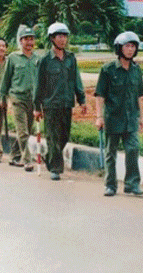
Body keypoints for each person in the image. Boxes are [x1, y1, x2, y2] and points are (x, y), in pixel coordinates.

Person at [95, 31, 143, 197]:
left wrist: (142, 116)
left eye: (133, 46)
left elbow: (139, 95)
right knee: (111, 152)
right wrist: (99, 117)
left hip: (130, 118)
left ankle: (132, 184)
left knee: (133, 149)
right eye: (127, 46)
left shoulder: (137, 70)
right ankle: (110, 185)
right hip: (113, 118)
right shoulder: (108, 69)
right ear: (119, 48)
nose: (130, 50)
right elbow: (100, 95)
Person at [33, 22, 87, 180]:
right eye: (59, 36)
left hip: (66, 103)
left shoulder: (71, 58)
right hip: (50, 104)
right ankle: (55, 169)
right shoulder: (44, 60)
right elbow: (38, 84)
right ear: (52, 38)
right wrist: (37, 107)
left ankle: (49, 157)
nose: (63, 39)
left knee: (64, 136)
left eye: (65, 36)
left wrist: (82, 100)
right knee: (53, 136)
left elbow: (76, 79)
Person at [0, 24, 41, 171]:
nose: (29, 42)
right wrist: (2, 96)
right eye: (26, 39)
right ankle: (27, 160)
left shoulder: (38, 59)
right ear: (21, 41)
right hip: (17, 98)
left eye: (31, 39)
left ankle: (14, 156)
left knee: (26, 131)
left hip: (33, 99)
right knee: (22, 131)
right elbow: (6, 79)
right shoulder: (13, 58)